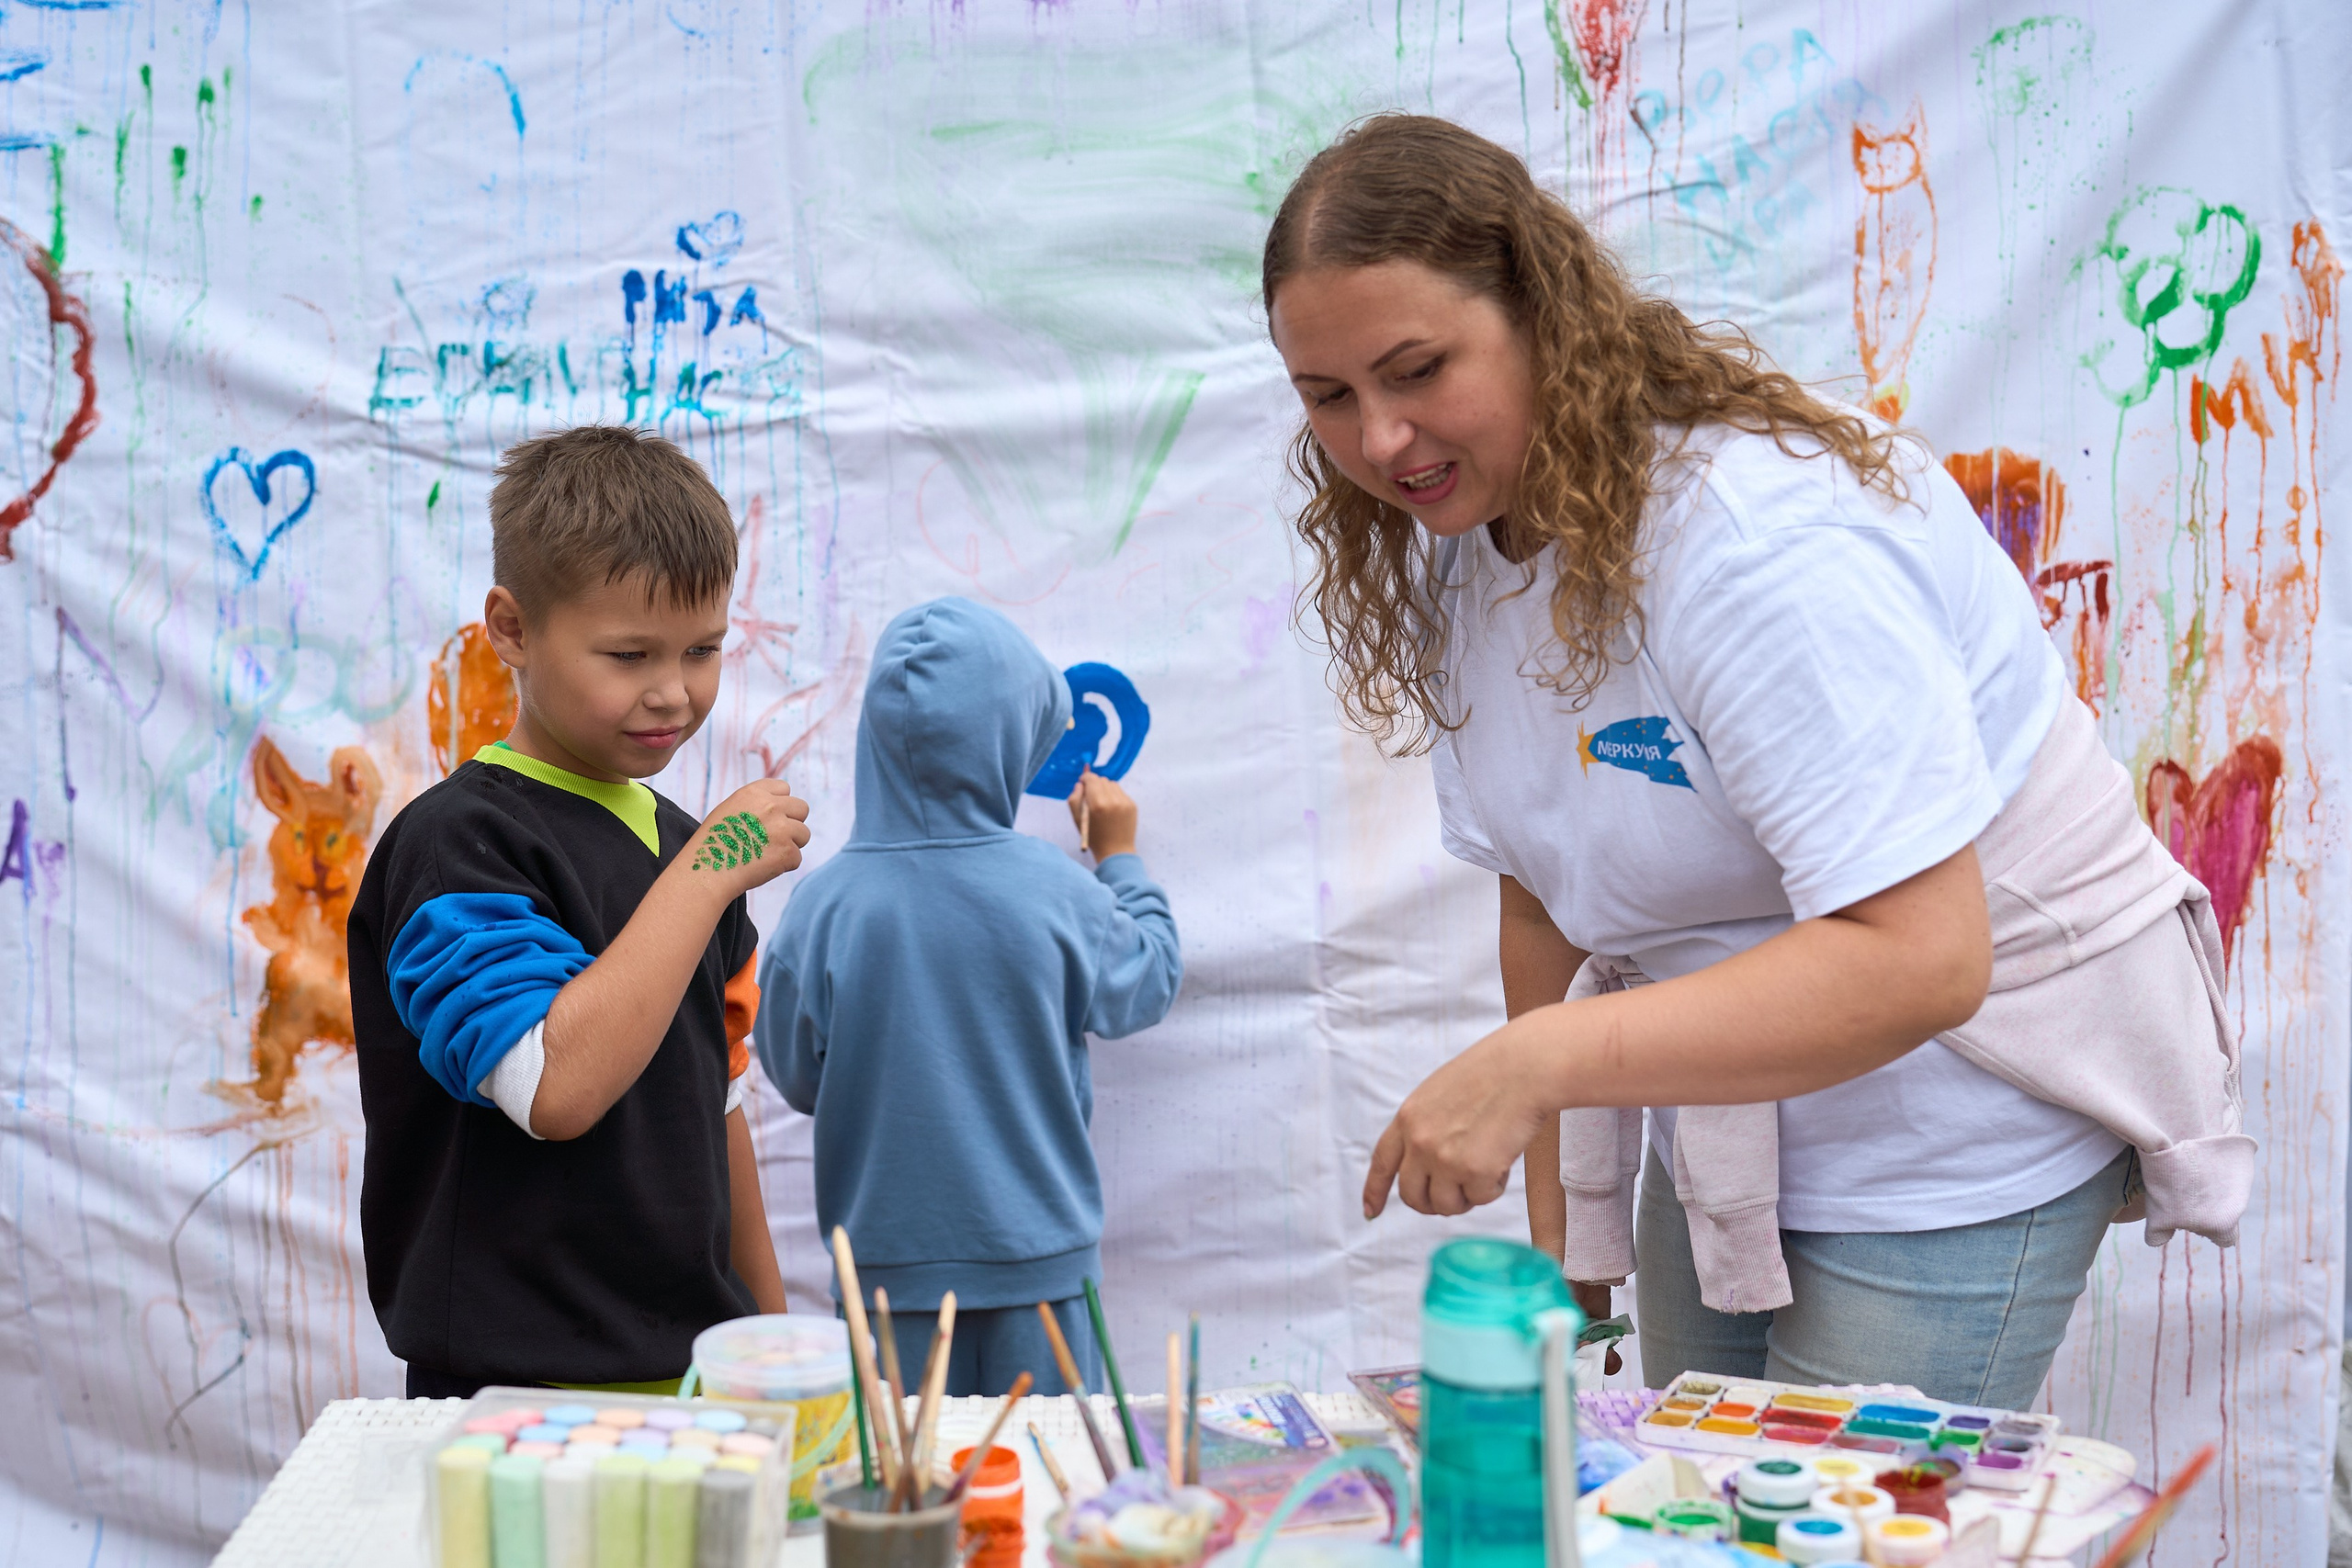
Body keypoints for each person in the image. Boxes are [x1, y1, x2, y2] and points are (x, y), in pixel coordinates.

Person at [1262, 116, 2251, 1408]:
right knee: (1693, 1516)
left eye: (1417, 369)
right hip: (1737, 1120)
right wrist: (1567, 1225)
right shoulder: (1476, 535)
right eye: (1328, 396)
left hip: (1956, 1117)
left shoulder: (1756, 542)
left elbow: (1920, 953)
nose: (1381, 439)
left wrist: (1536, 1067)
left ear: (1541, 311)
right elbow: (1542, 888)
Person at [350, 425, 810, 1397]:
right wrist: (713, 865)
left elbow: (720, 1119)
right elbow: (553, 1088)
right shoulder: (460, 846)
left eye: (703, 649)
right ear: (511, 629)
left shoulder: (688, 850)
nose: (673, 693)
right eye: (628, 653)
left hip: (692, 1379)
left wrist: (774, 1352)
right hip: (515, 1395)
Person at [757, 596, 1182, 1397]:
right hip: (1044, 1271)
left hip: (887, 1283)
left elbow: (798, 1075)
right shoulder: (1056, 890)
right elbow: (1147, 982)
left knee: (913, 1500)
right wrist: (1120, 859)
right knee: (1047, 1490)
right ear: (1012, 742)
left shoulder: (824, 906)